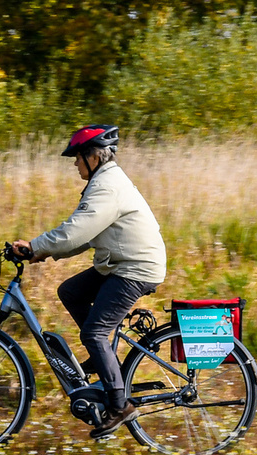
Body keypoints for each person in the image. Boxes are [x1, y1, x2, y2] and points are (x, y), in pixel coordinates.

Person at [13, 124, 166, 438]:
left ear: (93, 156)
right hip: (119, 264)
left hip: (134, 268)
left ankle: (120, 406)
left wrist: (37, 246)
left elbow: (76, 231)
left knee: (94, 332)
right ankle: (102, 356)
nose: (74, 163)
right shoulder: (105, 181)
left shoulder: (107, 186)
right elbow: (88, 233)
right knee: (70, 291)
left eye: (77, 157)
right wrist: (39, 253)